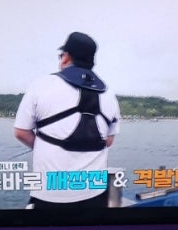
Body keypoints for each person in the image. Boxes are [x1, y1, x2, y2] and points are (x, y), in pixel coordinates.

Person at [13, 32, 120, 208]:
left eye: (61, 55)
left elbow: (21, 132)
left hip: (50, 194)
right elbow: (108, 141)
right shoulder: (109, 94)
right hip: (95, 193)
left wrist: (46, 147)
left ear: (66, 57)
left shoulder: (41, 85)